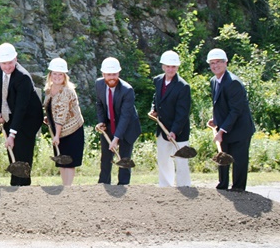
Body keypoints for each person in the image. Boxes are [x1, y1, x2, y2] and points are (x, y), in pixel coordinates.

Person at [0, 43, 43, 186]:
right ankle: (15, 183)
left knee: (22, 152)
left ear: (16, 58)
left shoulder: (23, 77)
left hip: (29, 118)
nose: (7, 67)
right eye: (4, 63)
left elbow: (21, 108)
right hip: (10, 114)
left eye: (10, 63)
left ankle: (24, 186)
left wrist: (12, 135)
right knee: (12, 151)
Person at [207, 48, 255, 192]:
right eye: (212, 63)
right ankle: (222, 186)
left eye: (218, 62)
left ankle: (238, 189)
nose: (215, 66)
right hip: (225, 125)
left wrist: (221, 131)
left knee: (238, 161)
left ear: (226, 63)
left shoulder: (233, 82)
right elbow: (220, 105)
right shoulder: (213, 81)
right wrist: (216, 120)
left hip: (240, 129)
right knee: (223, 157)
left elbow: (236, 110)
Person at [95, 57, 141, 185]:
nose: (111, 77)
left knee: (124, 158)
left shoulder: (127, 90)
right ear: (103, 74)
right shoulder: (99, 84)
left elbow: (125, 117)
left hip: (127, 126)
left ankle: (123, 184)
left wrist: (116, 139)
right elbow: (99, 104)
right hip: (109, 124)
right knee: (106, 157)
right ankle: (103, 183)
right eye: (108, 74)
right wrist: (101, 122)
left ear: (118, 73)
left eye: (114, 74)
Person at [149, 50, 192, 187]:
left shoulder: (183, 86)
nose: (170, 69)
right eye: (168, 66)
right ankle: (165, 185)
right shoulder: (158, 80)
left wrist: (174, 130)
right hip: (162, 128)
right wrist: (153, 109)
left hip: (179, 130)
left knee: (181, 160)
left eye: (173, 66)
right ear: (163, 66)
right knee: (163, 159)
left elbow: (183, 112)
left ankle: (183, 186)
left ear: (177, 67)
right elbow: (156, 98)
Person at [43, 57, 85, 186]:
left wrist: (56, 135)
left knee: (69, 161)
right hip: (59, 130)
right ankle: (65, 185)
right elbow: (52, 109)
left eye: (60, 74)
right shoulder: (49, 91)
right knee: (61, 160)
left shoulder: (66, 91)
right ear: (50, 75)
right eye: (54, 73)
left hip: (72, 131)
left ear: (64, 76)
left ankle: (68, 187)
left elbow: (61, 114)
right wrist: (49, 118)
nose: (57, 76)